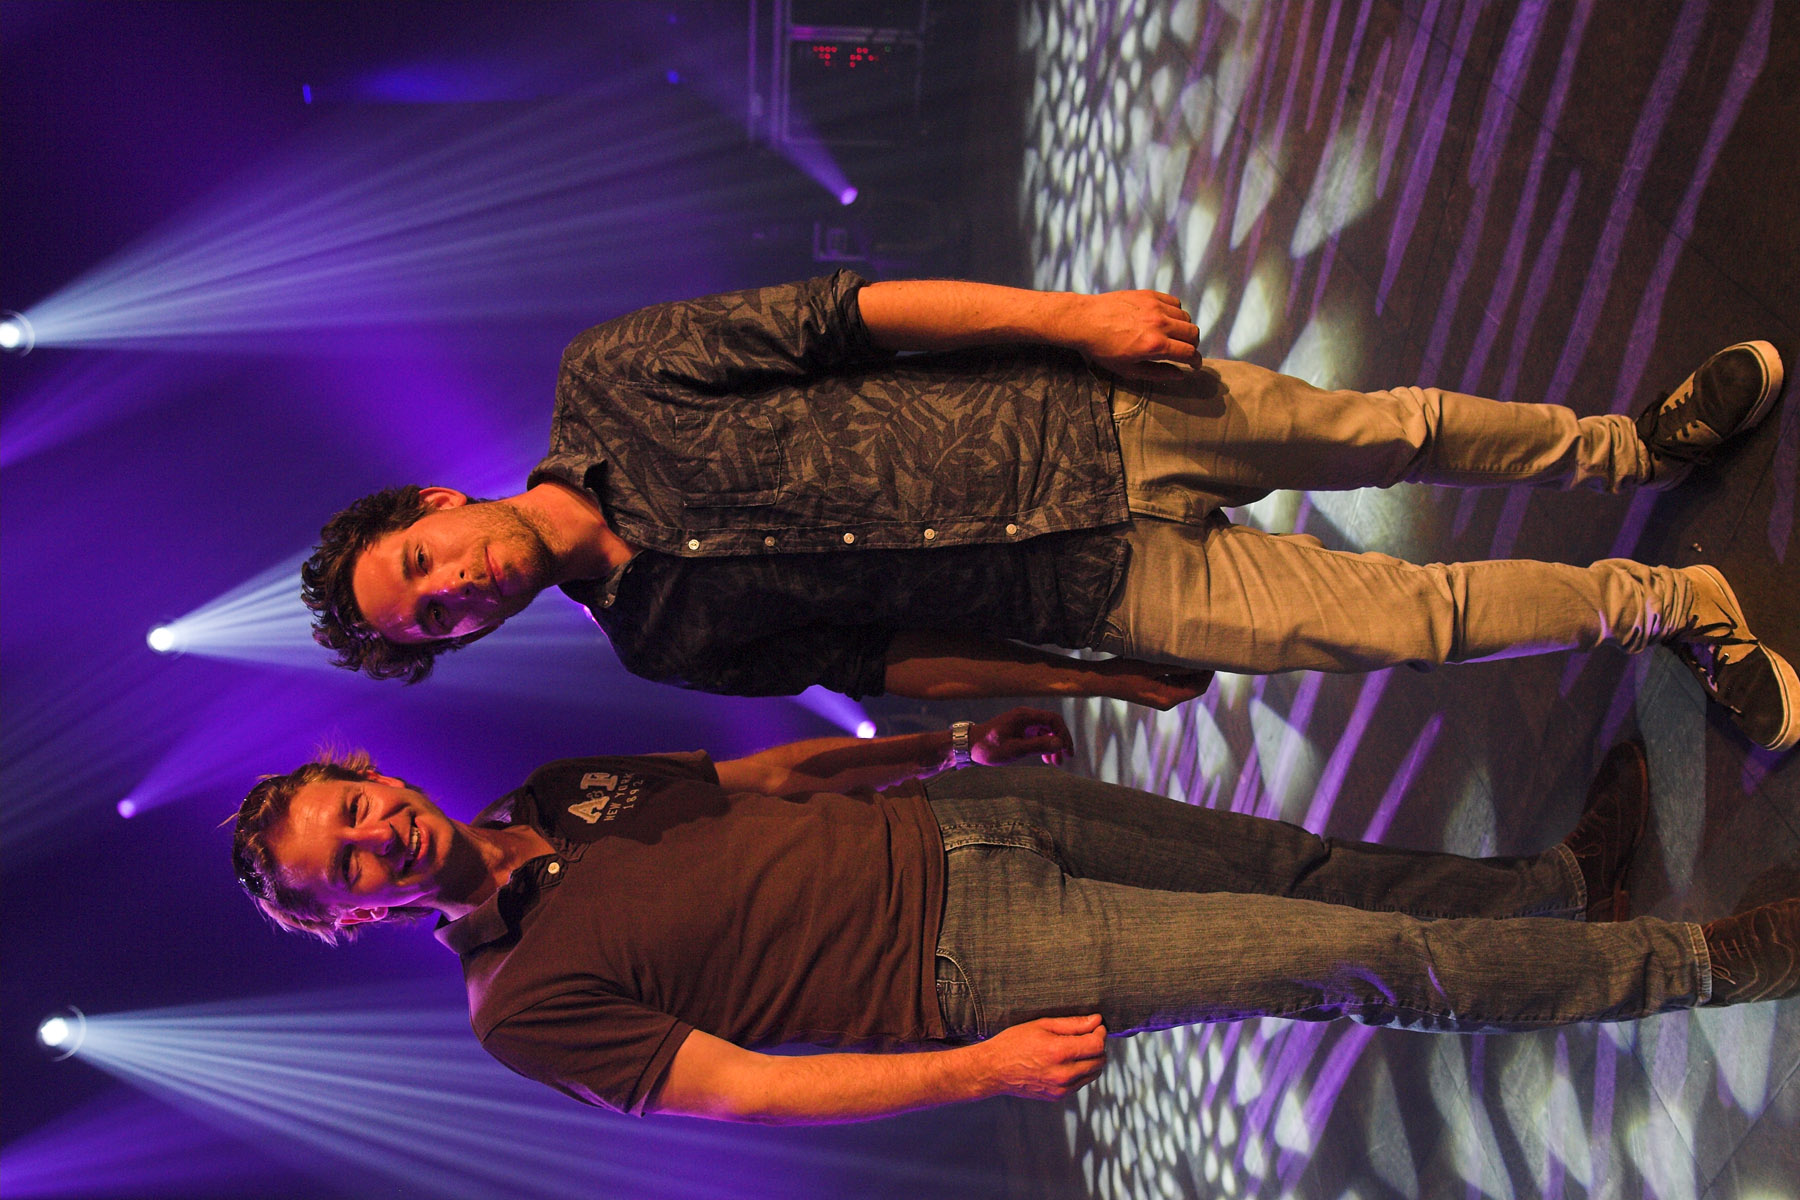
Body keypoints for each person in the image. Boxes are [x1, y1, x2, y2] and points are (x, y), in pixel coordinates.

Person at [300, 274, 1796, 751]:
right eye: (432, 622)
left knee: (1391, 432)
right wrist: (1090, 682)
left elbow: (848, 315)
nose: (453, 589)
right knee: (1420, 625)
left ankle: (1630, 447)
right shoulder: (657, 643)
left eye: (421, 562)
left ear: (434, 500)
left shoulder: (611, 378)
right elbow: (889, 663)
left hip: (1083, 416)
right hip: (1093, 596)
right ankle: (1678, 609)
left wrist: (1075, 319)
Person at [231, 707, 1799, 1123]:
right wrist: (975, 1069)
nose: (375, 840)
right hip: (970, 960)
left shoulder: (556, 788)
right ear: (343, 922)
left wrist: (954, 745)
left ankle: (1559, 889)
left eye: (351, 809)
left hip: (967, 820)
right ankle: (1701, 965)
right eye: (342, 868)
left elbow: (767, 778)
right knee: (1351, 961)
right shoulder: (515, 1009)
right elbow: (746, 1090)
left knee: (1304, 867)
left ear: (370, 773)